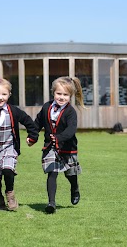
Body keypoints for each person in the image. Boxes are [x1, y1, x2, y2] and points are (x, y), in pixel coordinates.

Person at [0, 76, 38, 211]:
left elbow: (28, 121)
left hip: (8, 148)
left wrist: (33, 137)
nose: (0, 97)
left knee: (8, 170)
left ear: (9, 95)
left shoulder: (14, 111)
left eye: (4, 94)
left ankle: (10, 194)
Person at [34, 76, 85, 214]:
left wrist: (59, 138)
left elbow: (71, 130)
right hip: (50, 147)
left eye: (65, 95)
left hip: (67, 148)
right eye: (59, 94)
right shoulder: (46, 107)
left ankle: (74, 188)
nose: (61, 97)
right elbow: (38, 122)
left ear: (70, 96)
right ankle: (51, 203)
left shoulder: (70, 112)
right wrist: (32, 136)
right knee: (52, 172)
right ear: (53, 93)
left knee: (70, 174)